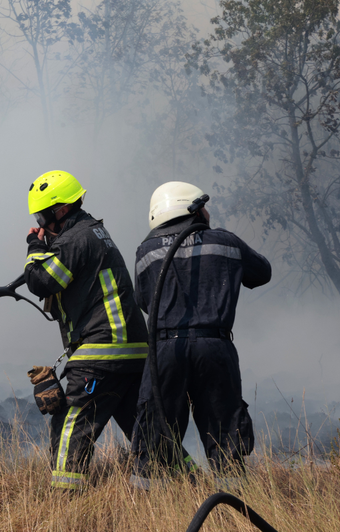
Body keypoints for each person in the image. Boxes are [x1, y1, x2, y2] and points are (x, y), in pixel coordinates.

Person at [131, 181, 271, 487]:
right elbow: (262, 273)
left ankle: (150, 507)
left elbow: (144, 302)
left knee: (156, 429)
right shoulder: (226, 242)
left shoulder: (146, 251)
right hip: (214, 345)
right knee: (224, 432)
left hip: (166, 350)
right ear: (192, 209)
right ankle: (233, 505)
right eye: (203, 206)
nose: (207, 212)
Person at [23, 170, 150, 490]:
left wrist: (32, 248)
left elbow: (42, 281)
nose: (40, 224)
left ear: (61, 210)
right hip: (132, 349)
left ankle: (66, 500)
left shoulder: (75, 238)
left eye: (42, 216)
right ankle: (183, 482)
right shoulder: (94, 232)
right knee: (147, 429)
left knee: (71, 423)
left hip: (103, 349)